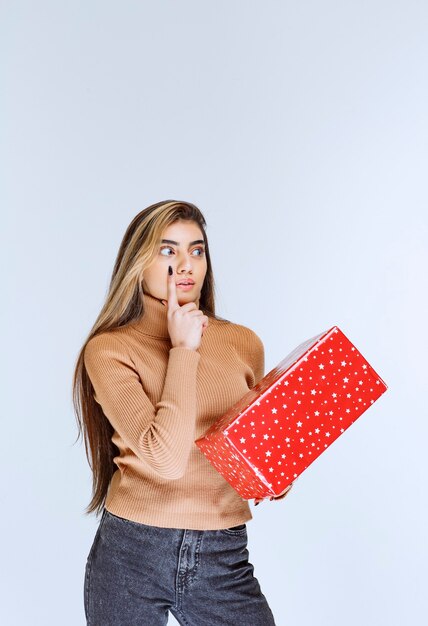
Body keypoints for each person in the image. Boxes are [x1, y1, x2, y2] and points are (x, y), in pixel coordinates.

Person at [73, 200, 293, 625]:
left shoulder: (243, 342)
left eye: (197, 250)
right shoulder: (110, 349)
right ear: (138, 263)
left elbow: (246, 446)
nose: (186, 265)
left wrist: (274, 472)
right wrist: (183, 350)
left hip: (223, 551)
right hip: (131, 553)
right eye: (168, 251)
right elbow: (166, 459)